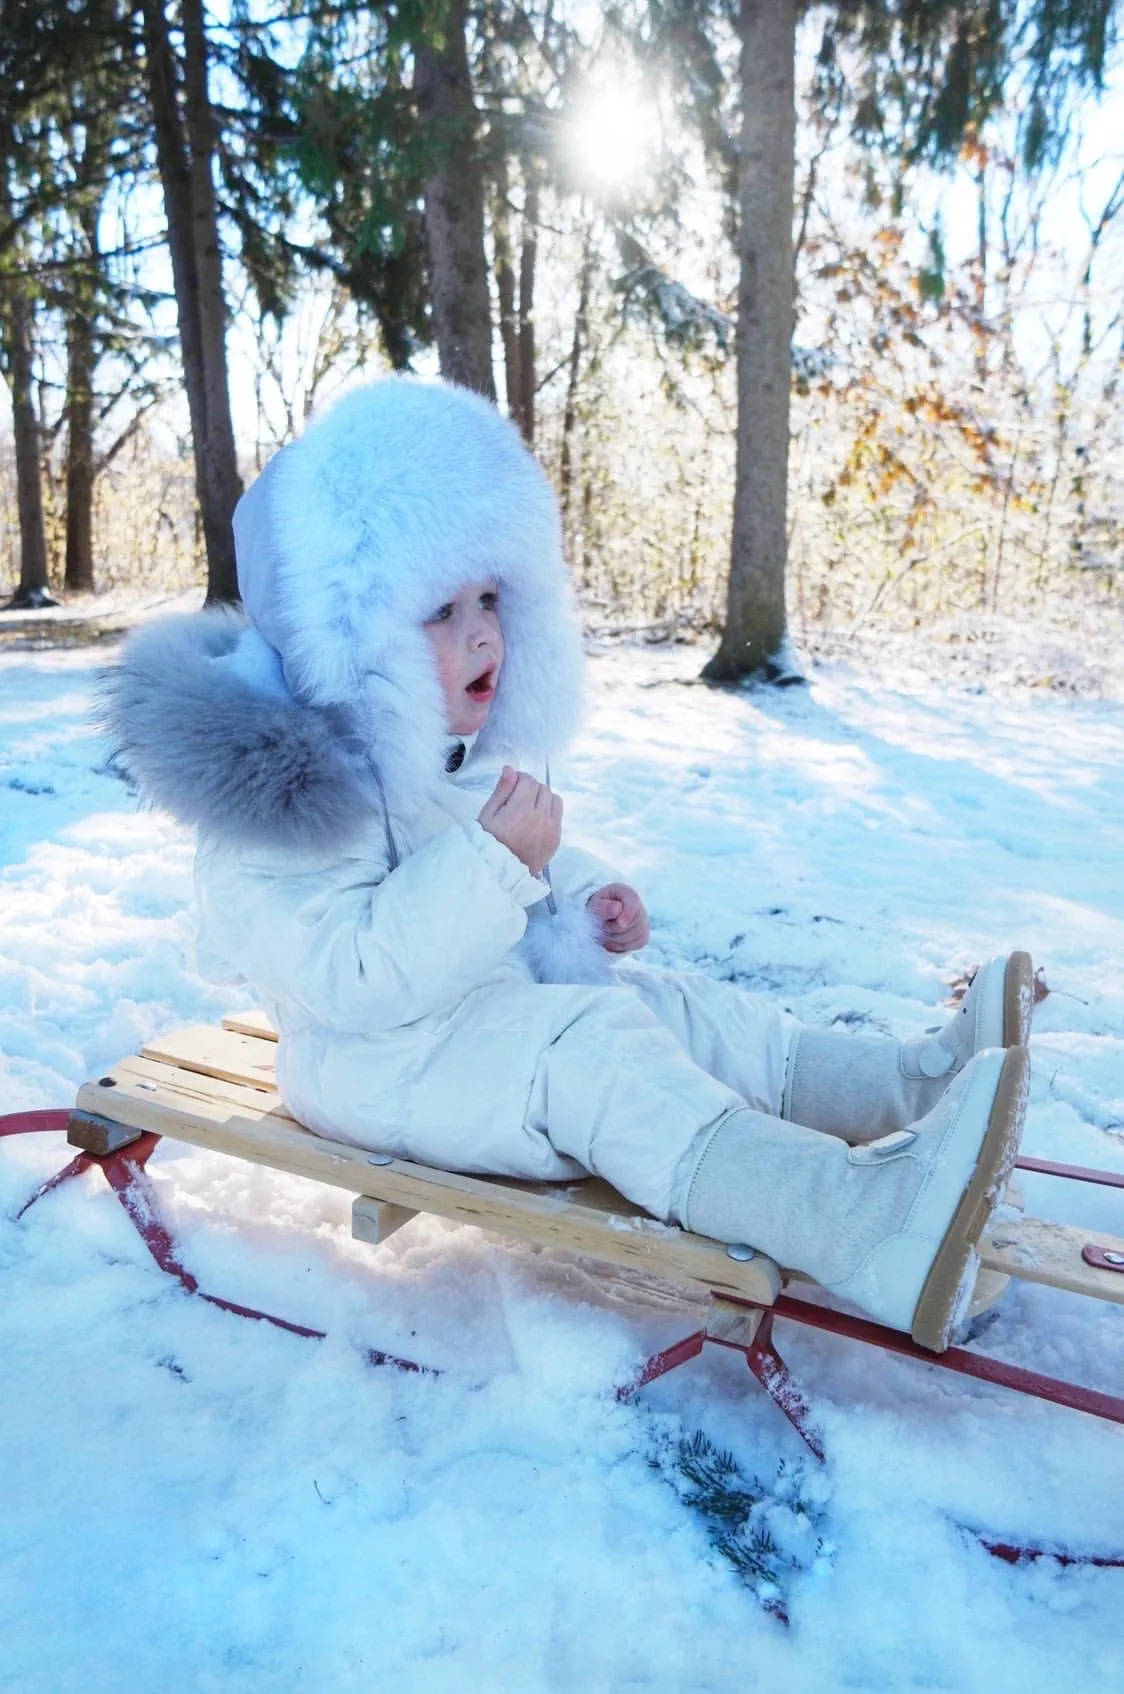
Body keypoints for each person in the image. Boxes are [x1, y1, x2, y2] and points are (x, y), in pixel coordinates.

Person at [106, 377, 1033, 1355]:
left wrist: (584, 891)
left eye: (492, 600)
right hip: (371, 1065)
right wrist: (493, 864)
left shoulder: (432, 755)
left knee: (671, 1008)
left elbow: (510, 845)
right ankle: (857, 1222)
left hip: (476, 1016)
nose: (481, 635)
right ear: (344, 634)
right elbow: (354, 977)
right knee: (594, 1056)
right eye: (439, 609)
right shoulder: (278, 813)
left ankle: (910, 1085)